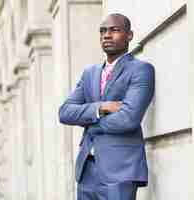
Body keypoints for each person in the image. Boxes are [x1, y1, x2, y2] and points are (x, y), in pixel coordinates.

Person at [59, 13, 155, 200]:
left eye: (114, 30)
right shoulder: (90, 73)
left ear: (129, 35)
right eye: (102, 31)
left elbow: (128, 119)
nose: (107, 35)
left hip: (120, 171)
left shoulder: (141, 70)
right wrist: (101, 107)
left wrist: (89, 123)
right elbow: (65, 112)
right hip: (87, 171)